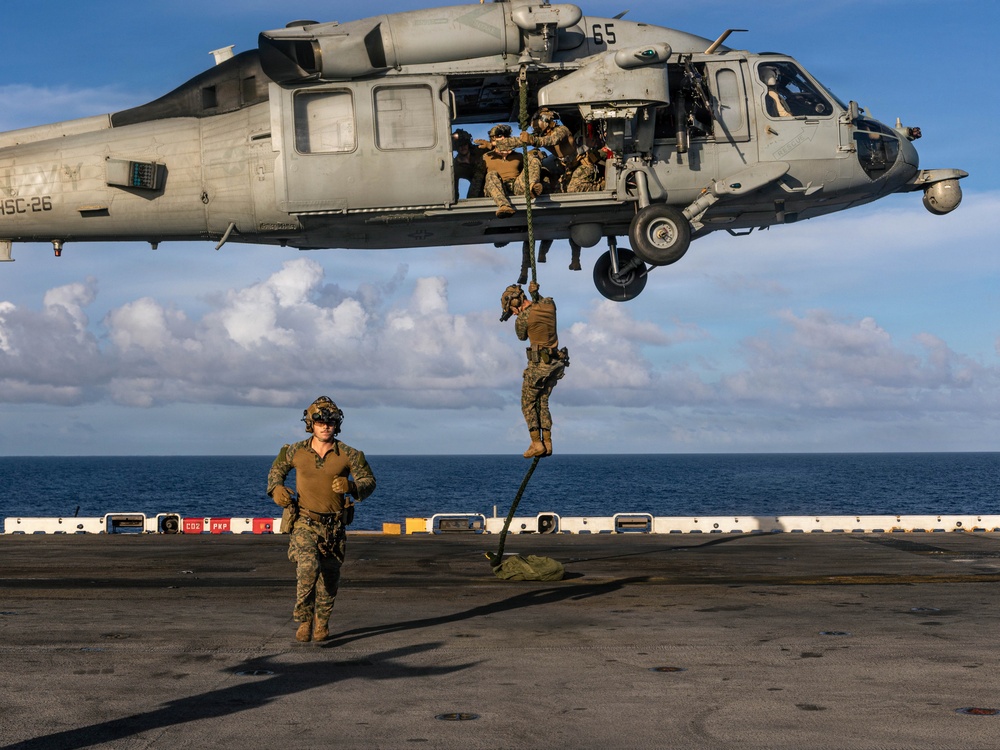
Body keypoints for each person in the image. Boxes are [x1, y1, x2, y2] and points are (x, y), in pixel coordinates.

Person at [267, 396, 376, 643]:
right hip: (305, 521)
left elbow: (369, 483)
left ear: (337, 424)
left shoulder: (350, 454)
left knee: (329, 579)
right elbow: (275, 474)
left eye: (330, 421)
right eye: (319, 421)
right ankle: (304, 620)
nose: (325, 425)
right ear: (310, 423)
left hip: (334, 526)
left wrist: (351, 486)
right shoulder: (294, 451)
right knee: (308, 568)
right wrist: (277, 491)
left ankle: (322, 623)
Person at [500, 282, 569, 458]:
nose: (513, 313)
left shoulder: (522, 319)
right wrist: (536, 294)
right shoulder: (549, 305)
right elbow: (542, 302)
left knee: (528, 403)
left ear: (515, 302)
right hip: (556, 364)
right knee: (543, 401)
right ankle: (547, 442)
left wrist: (520, 314)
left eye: (511, 309)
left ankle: (536, 443)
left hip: (539, 367)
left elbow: (522, 336)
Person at [477, 124, 542, 217]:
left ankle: (532, 188)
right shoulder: (486, 157)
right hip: (496, 188)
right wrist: (471, 198)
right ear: (492, 139)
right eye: (499, 136)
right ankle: (504, 206)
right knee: (491, 174)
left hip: (516, 186)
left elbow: (531, 169)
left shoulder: (519, 156)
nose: (503, 138)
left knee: (533, 159)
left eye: (506, 136)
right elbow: (477, 180)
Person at [452, 128, 485, 198]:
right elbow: (454, 187)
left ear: (468, 144)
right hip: (478, 193)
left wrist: (489, 145)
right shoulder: (456, 166)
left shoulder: (479, 151)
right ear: (456, 147)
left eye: (464, 144)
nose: (463, 147)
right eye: (459, 145)